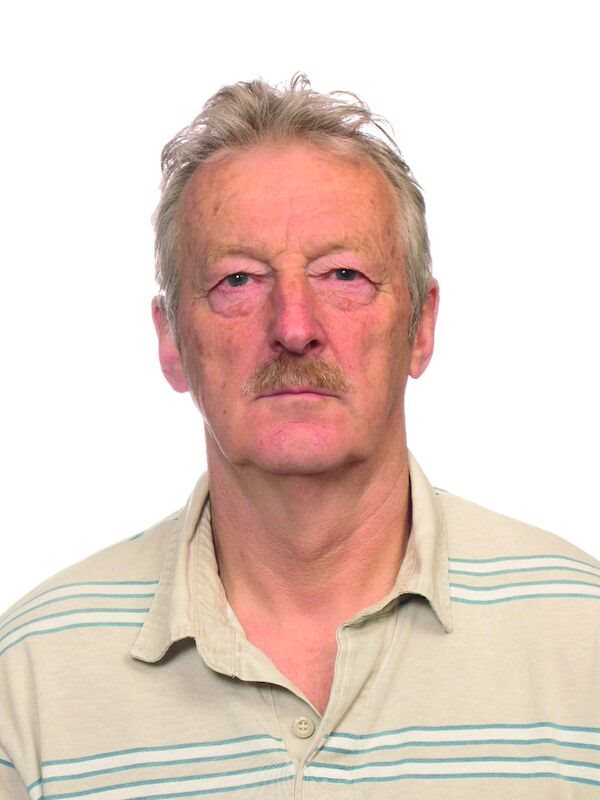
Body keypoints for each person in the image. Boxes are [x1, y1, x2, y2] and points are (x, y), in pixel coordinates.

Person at [1, 77, 598, 799]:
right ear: (172, 341)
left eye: (344, 273)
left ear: (422, 326)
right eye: (238, 280)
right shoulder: (28, 679)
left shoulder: (585, 641)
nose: (293, 326)